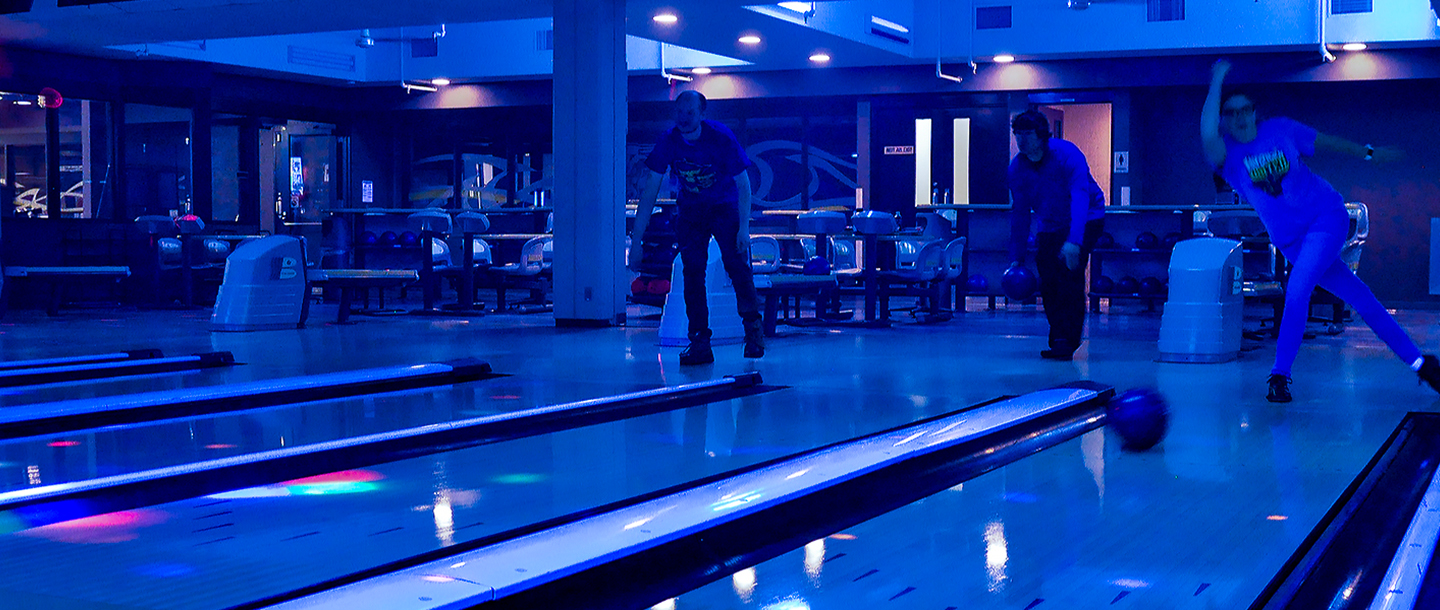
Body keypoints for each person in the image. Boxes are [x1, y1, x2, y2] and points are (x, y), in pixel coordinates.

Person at [1204, 58, 1440, 402]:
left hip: (1326, 219)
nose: (1239, 118)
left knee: (1298, 287)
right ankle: (1423, 365)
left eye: (1245, 110)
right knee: (1361, 298)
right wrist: (1216, 82)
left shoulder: (1281, 130)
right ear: (1226, 119)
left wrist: (1370, 153)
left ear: (1255, 112)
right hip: (1292, 242)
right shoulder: (1229, 158)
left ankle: (1279, 375)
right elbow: (1207, 133)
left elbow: (1327, 142)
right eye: (1231, 113)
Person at [630, 90, 763, 365]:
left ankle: (753, 331)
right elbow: (650, 190)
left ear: (702, 114)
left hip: (724, 207)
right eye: (680, 112)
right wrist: (637, 240)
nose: (684, 118)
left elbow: (744, 184)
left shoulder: (720, 137)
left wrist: (743, 229)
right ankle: (699, 341)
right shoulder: (669, 141)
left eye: (690, 113)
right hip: (691, 211)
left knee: (736, 266)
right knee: (692, 273)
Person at [1008, 109, 1106, 361]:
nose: (1021, 140)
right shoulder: (1017, 168)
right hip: (1050, 223)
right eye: (1018, 134)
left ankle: (1067, 341)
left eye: (1027, 134)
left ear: (1041, 135)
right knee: (1048, 278)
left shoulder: (1067, 154)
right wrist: (1016, 257)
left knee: (1069, 275)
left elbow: (1080, 197)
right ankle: (1058, 338)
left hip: (1087, 218)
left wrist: (1074, 241)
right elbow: (1019, 213)